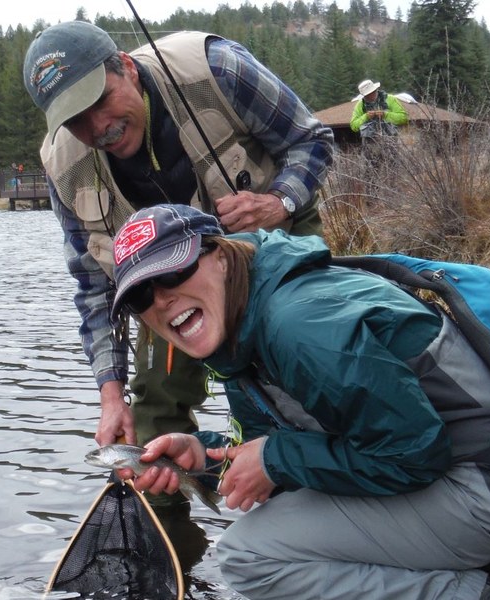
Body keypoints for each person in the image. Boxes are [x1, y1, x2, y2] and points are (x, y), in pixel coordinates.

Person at [108, 204, 490, 600]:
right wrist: (201, 456)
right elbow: (276, 451)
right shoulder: (244, 324)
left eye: (172, 272)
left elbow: (416, 453)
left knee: (248, 557)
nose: (162, 299)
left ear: (220, 257)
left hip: (489, 492)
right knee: (272, 508)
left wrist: (277, 459)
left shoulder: (299, 325)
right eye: (142, 296)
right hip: (479, 474)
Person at [21, 22, 333, 469]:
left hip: (270, 247)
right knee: (150, 434)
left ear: (126, 67)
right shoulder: (63, 167)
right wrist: (111, 393)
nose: (98, 128)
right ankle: (177, 521)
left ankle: (325, 479)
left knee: (310, 380)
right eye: (75, 120)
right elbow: (93, 287)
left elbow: (311, 140)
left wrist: (278, 201)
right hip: (166, 287)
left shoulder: (214, 68)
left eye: (100, 101)